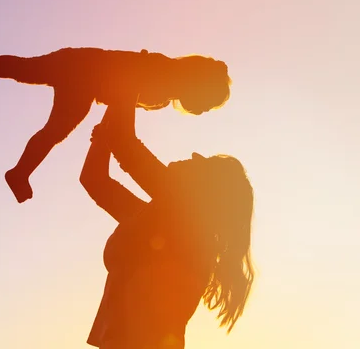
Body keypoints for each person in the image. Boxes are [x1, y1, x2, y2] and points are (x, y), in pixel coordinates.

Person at [0, 47, 231, 203]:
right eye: (206, 102)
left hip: (88, 86)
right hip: (81, 67)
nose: (202, 110)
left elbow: (122, 101)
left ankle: (19, 172)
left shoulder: (165, 94)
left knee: (54, 132)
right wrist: (111, 132)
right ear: (197, 83)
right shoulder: (165, 73)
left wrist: (108, 129)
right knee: (25, 70)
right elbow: (126, 88)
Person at [79, 96, 255, 349]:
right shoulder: (159, 220)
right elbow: (95, 180)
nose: (194, 156)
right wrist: (104, 130)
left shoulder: (186, 216)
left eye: (204, 163)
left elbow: (125, 145)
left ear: (205, 191)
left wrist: (126, 83)